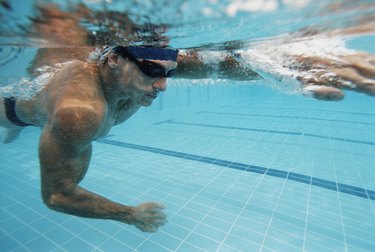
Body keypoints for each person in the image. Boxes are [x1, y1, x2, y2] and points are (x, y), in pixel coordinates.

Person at [1, 2, 374, 233]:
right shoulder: (81, 113)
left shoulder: (144, 70)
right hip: (11, 111)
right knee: (22, 119)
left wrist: (295, 66)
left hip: (48, 113)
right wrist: (129, 215)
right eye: (151, 71)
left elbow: (231, 66)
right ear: (112, 59)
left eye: (170, 72)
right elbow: (56, 194)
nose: (163, 85)